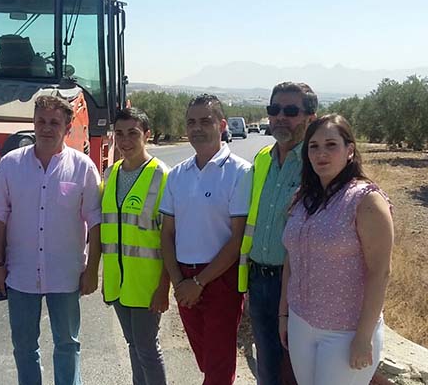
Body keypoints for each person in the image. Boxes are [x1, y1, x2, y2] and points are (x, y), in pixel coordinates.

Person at [0, 94, 102, 385]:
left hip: (66, 275)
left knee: (67, 344)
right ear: (33, 124)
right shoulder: (11, 164)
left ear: (67, 127)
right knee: (24, 347)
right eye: (41, 121)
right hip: (21, 274)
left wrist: (91, 271)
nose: (47, 128)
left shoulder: (83, 167)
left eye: (55, 122)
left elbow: (96, 222)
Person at [278, 114, 393, 385]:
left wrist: (363, 338)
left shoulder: (366, 200)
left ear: (349, 150)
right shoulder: (301, 199)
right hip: (300, 323)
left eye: (331, 145)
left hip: (346, 331)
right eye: (313, 146)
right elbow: (290, 261)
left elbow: (381, 272)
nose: (321, 153)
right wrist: (283, 314)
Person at [159, 94, 250, 385]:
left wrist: (199, 283)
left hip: (220, 279)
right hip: (184, 277)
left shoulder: (240, 172)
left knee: (219, 365)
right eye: (191, 122)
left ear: (222, 125)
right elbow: (167, 233)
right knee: (206, 359)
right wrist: (179, 282)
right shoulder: (176, 175)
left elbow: (237, 239)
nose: (197, 128)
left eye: (205, 121)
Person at [237, 82, 317, 385]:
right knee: (268, 365)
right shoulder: (261, 160)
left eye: (291, 111)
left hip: (298, 284)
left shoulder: (317, 163)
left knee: (297, 370)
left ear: (311, 117)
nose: (280, 117)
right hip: (259, 280)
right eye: (274, 110)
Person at [98, 107, 169, 385]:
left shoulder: (161, 176)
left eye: (133, 133)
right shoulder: (110, 174)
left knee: (148, 350)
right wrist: (105, 277)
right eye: (119, 134)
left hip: (147, 286)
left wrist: (164, 287)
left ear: (147, 135)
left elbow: (169, 239)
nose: (125, 141)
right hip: (118, 283)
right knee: (134, 347)